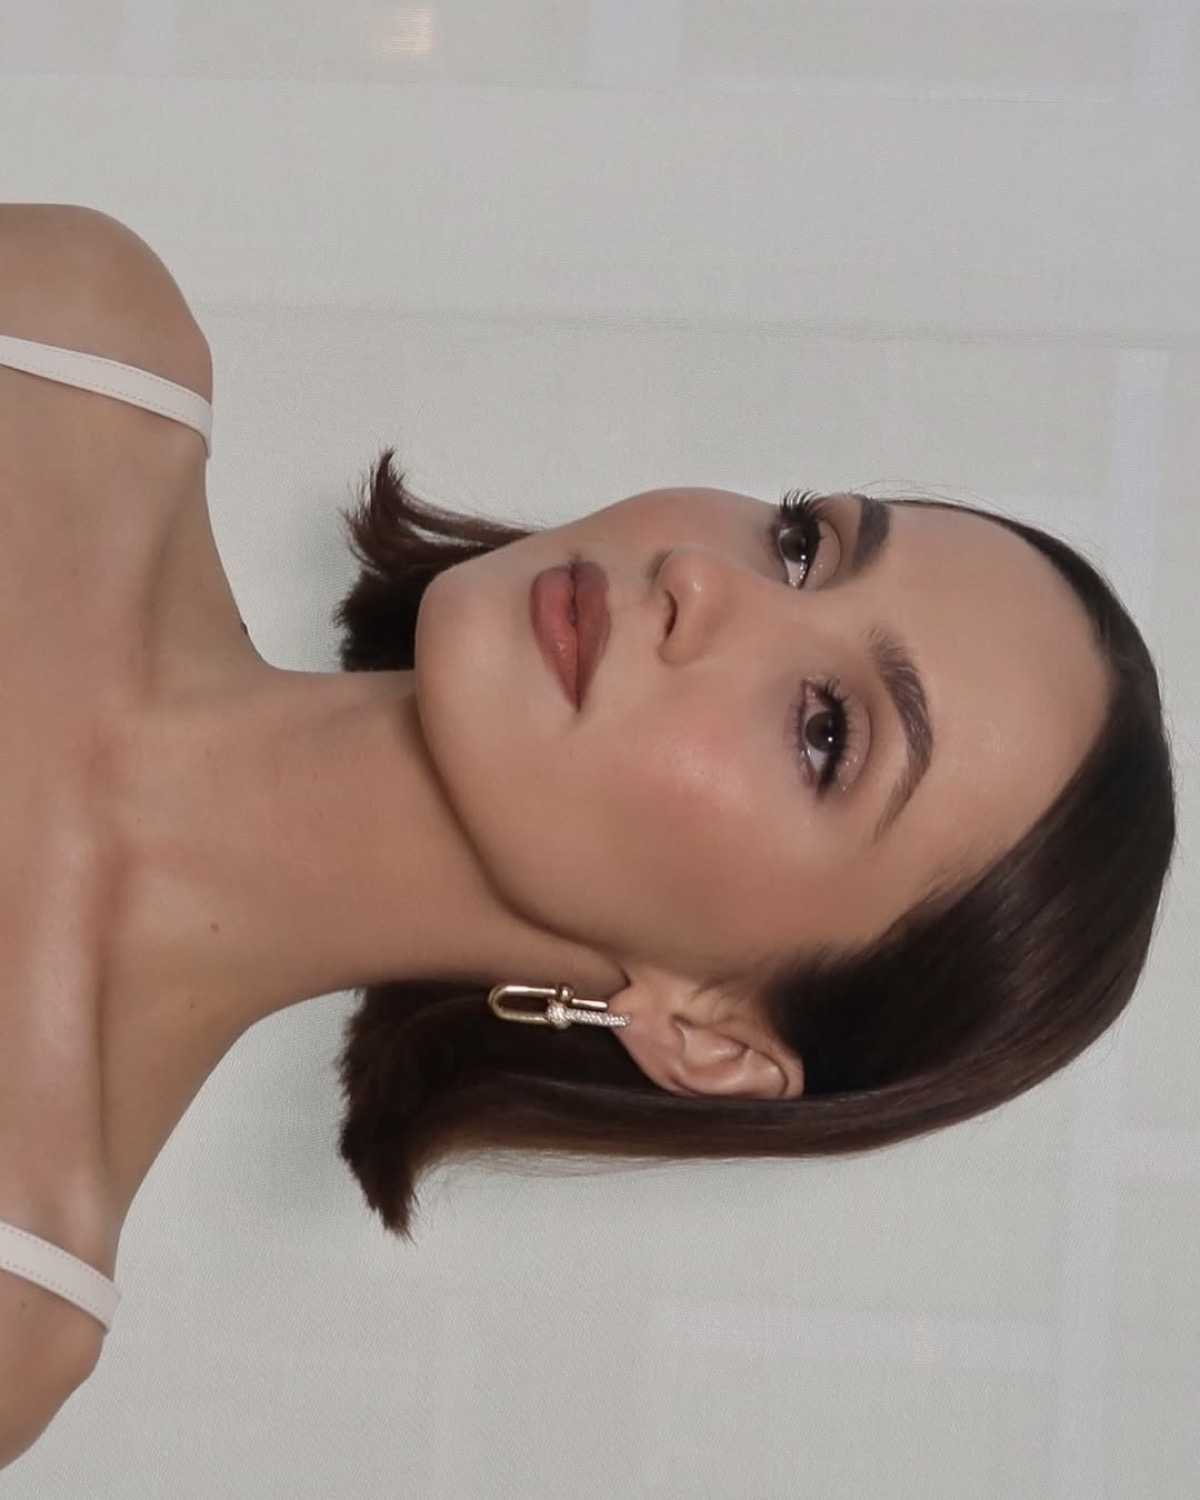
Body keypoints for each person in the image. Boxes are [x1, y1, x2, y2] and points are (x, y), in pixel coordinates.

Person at [0, 205, 1176, 1466]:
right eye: (802, 547)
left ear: (712, 1035)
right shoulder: (69, 348)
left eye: (826, 732)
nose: (701, 580)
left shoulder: (17, 1302)